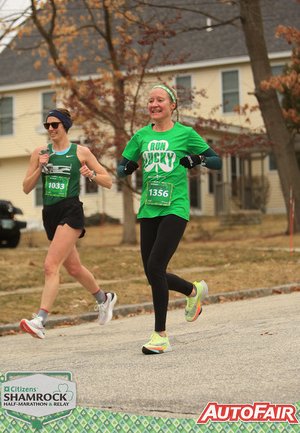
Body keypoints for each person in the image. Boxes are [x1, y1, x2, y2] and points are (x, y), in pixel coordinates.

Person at [117, 84, 222, 354]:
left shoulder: (185, 133)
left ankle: (160, 335)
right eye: (150, 101)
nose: (154, 104)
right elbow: (120, 168)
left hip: (175, 208)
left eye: (159, 100)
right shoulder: (140, 136)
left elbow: (217, 161)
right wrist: (126, 168)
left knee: (155, 265)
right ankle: (192, 291)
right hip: (149, 208)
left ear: (172, 105)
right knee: (153, 274)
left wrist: (197, 158)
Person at [20, 108, 117, 339]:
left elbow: (108, 181)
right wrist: (40, 167)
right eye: (47, 125)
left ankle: (40, 320)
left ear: (65, 126)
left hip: (71, 210)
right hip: (50, 213)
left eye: (55, 125)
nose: (51, 129)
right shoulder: (40, 153)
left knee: (50, 265)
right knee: (73, 268)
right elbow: (26, 187)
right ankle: (104, 300)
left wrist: (90, 174)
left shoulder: (80, 152)